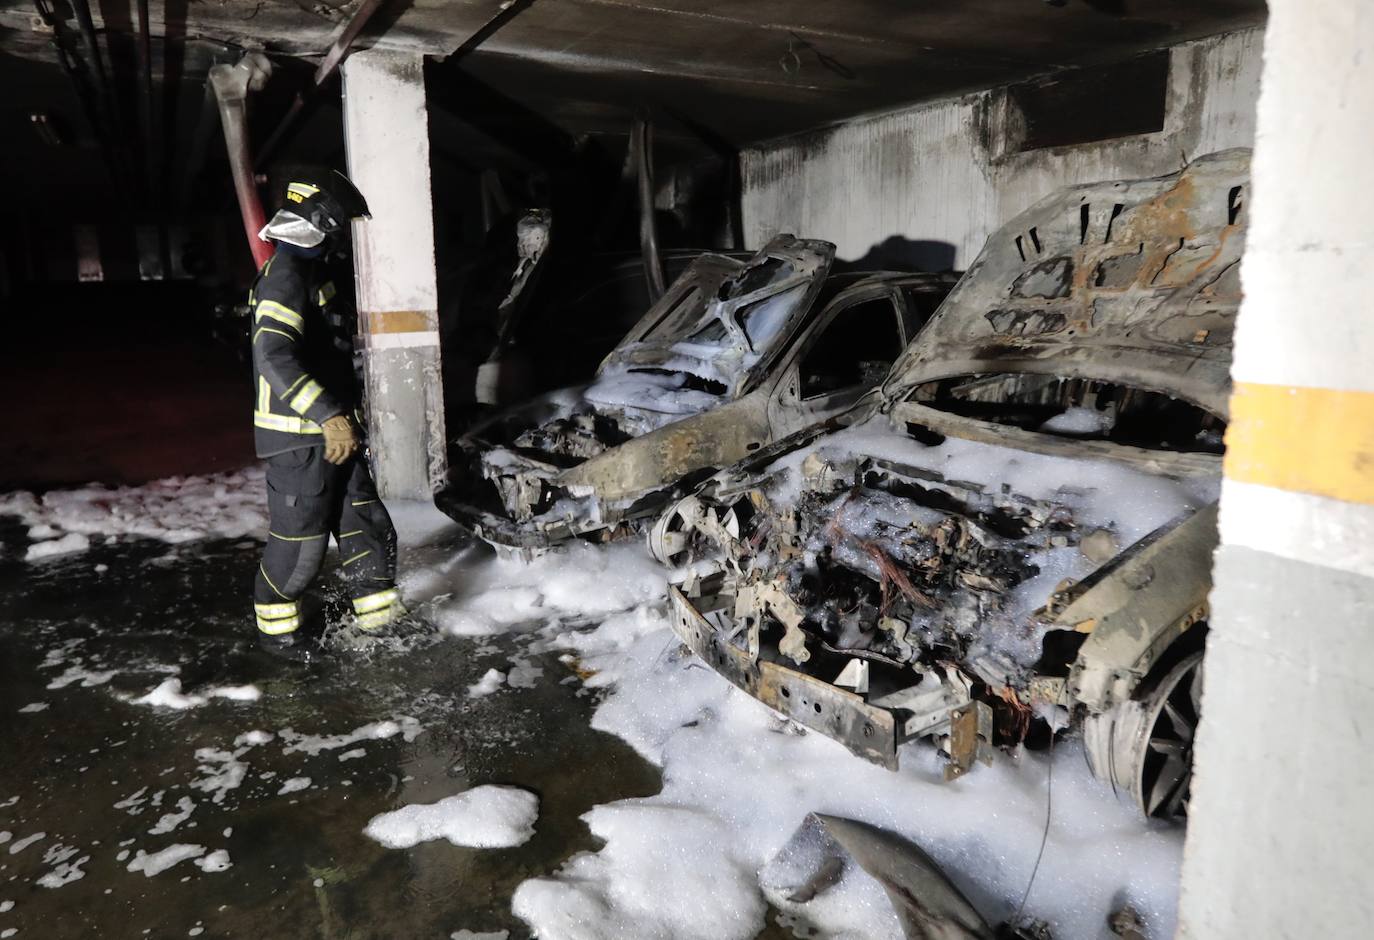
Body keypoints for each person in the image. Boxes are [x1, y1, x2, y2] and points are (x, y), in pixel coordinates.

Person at [248, 168, 404, 658]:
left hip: (337, 432)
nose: (342, 238)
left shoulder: (314, 273)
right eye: (338, 226)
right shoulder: (286, 276)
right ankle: (278, 636)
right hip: (301, 438)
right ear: (321, 221)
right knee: (300, 548)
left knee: (367, 528)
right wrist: (327, 415)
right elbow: (273, 355)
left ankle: (381, 625)